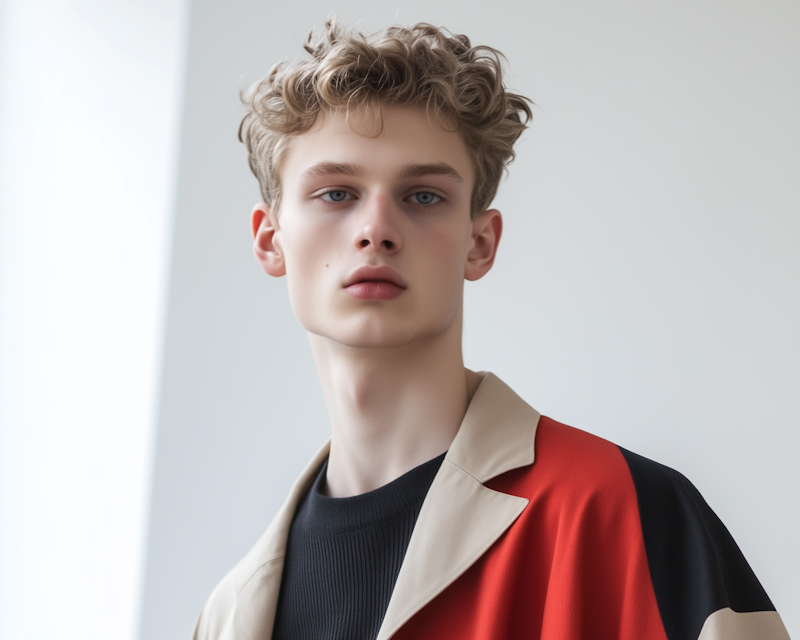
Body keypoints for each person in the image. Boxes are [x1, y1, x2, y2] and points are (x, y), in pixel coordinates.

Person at [192, 19, 790, 640]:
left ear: (480, 243)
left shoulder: (622, 511)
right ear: (270, 239)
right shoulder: (228, 614)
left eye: (423, 196)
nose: (377, 229)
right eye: (337, 193)